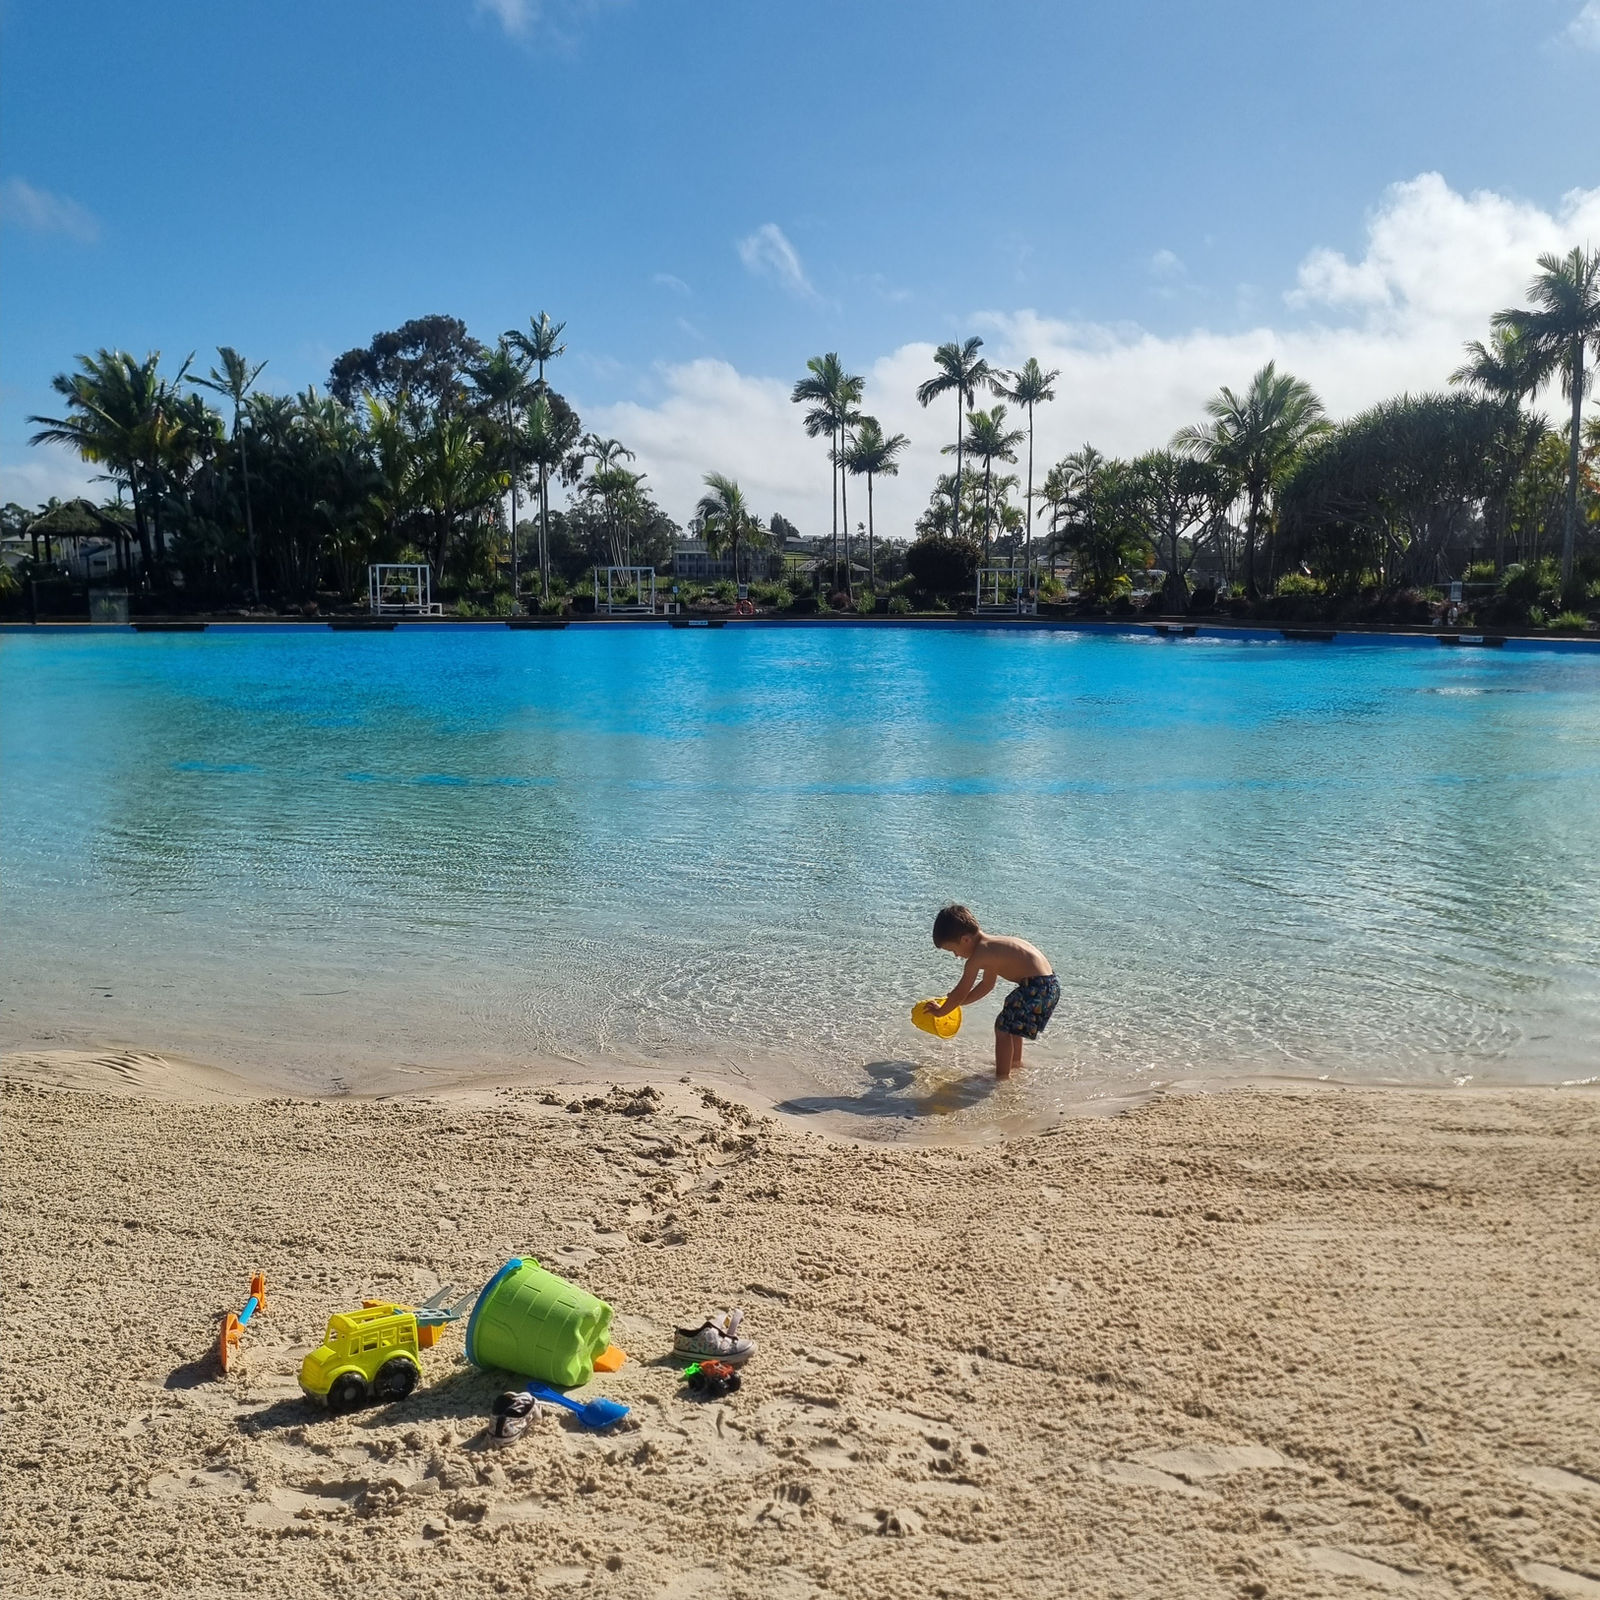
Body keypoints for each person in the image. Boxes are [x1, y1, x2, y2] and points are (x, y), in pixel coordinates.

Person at [928, 903, 1058, 1080]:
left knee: (1002, 1027)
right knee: (1011, 1025)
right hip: (1049, 985)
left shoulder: (979, 957)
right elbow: (987, 985)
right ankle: (1014, 1064)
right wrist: (960, 1002)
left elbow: (960, 991)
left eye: (953, 950)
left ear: (965, 939)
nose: (956, 956)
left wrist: (941, 1011)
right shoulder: (991, 947)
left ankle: (1002, 1077)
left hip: (1036, 987)